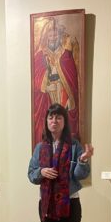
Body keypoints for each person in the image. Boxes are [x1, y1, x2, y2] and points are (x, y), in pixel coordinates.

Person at [33, 18, 80, 146]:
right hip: (47, 96)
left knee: (62, 121)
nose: (53, 38)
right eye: (50, 35)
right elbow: (36, 80)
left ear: (59, 36)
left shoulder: (66, 54)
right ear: (46, 36)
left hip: (63, 94)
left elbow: (72, 80)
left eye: (55, 35)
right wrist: (45, 84)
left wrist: (70, 97)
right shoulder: (40, 56)